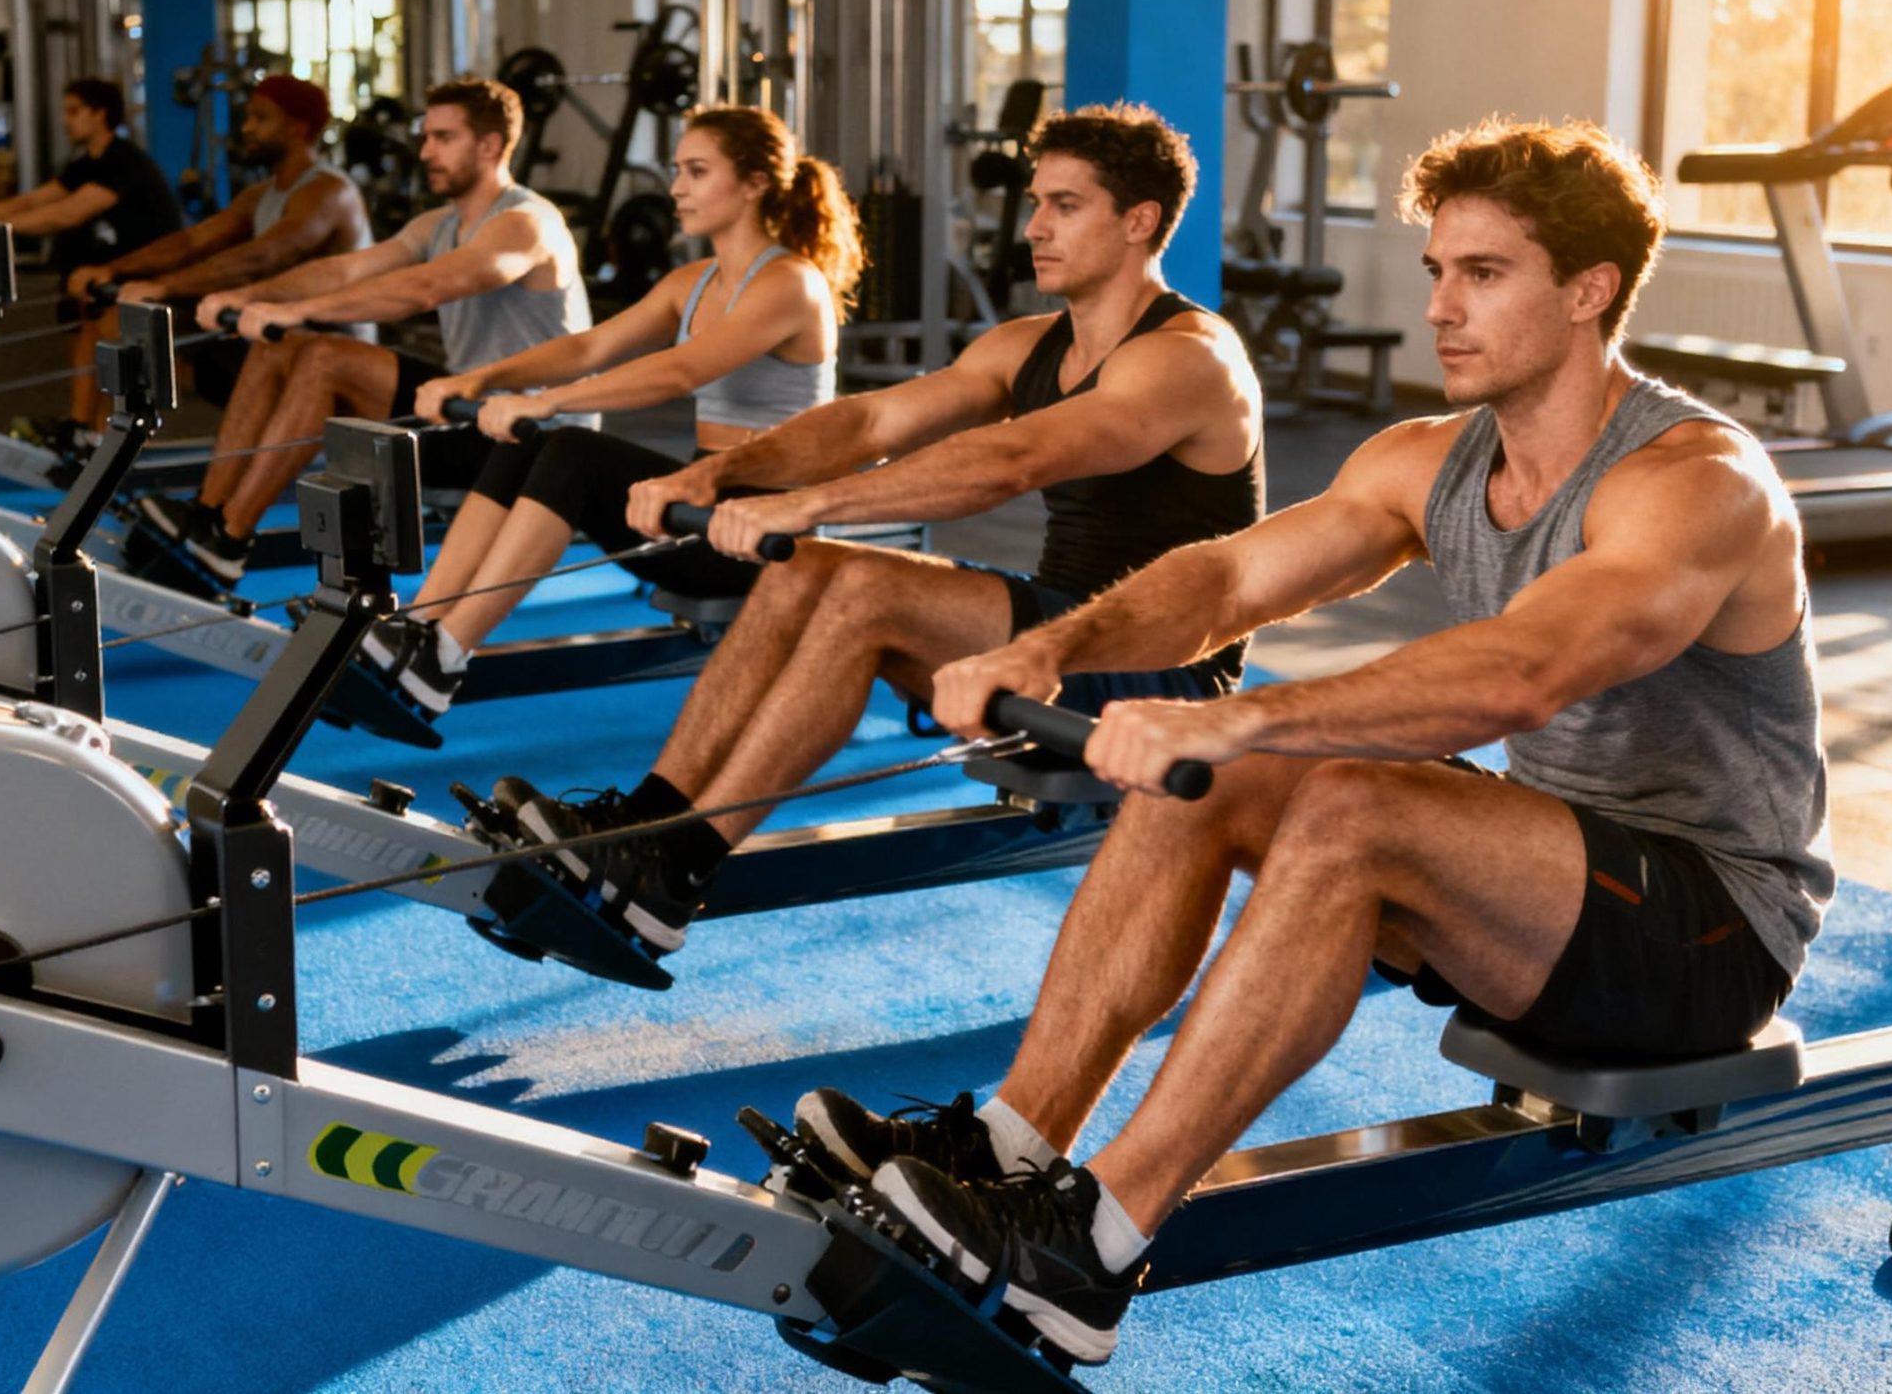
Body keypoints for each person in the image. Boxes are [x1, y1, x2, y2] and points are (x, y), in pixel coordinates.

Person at [790, 118, 1833, 1367]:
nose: (1440, 306)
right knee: (1228, 778)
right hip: (1555, 875)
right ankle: (1012, 1147)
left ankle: (1089, 1247)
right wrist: (1049, 649)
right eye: (1437, 270)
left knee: (1346, 800)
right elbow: (1230, 576)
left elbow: (1526, 670)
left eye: (1484, 275)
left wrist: (1239, 708)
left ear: (1587, 291)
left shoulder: (1691, 479)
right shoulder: (1429, 460)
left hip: (1708, 921)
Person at [492, 102, 1265, 957]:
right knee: (808, 570)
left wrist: (808, 503)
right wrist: (723, 473)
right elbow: (869, 424)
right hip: (1047, 632)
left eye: (1066, 206)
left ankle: (672, 871)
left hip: (1155, 674)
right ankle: (643, 822)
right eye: (1037, 202)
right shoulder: (1028, 344)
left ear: (1140, 221)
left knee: (860, 583)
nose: (1034, 226)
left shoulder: (1189, 356)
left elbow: (1013, 462)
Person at [345, 105, 861, 725]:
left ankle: (446, 656)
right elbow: (590, 347)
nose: (676, 189)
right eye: (677, 171)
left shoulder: (790, 283)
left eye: (697, 172)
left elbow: (680, 372)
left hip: (762, 532)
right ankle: (421, 625)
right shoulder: (692, 280)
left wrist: (548, 400)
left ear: (754, 183)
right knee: (531, 445)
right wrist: (481, 378)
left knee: (573, 449)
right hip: (697, 503)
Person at [132, 77, 591, 588]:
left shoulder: (527, 223)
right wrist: (254, 298)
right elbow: (346, 270)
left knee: (326, 355)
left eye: (443, 138)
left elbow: (427, 288)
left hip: (528, 437)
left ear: (489, 145)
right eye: (426, 136)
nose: (426, 151)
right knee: (282, 349)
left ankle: (231, 538)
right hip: (463, 412)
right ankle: (209, 514)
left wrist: (297, 308)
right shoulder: (436, 224)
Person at [60, 75, 371, 436]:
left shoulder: (327, 191)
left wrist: (162, 287)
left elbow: (262, 257)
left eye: (261, 118)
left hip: (324, 339)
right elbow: (192, 242)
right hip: (267, 324)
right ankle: (87, 439)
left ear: (297, 127)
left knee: (152, 342)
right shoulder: (260, 194)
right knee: (113, 318)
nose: (247, 127)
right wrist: (113, 270)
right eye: (248, 117)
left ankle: (113, 449)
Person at [0, 78, 184, 438]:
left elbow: (67, 213)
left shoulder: (123, 161)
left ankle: (105, 440)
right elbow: (38, 199)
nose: (65, 121)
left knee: (112, 342)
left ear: (100, 114)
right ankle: (80, 427)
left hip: (146, 272)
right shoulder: (87, 163)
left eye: (73, 111)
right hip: (103, 271)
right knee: (86, 331)